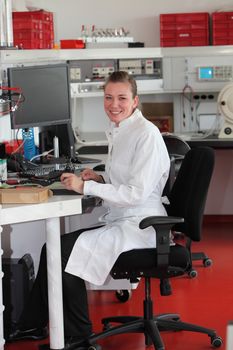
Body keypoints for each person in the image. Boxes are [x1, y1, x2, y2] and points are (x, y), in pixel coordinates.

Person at [8, 71, 170, 349]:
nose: (113, 104)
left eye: (121, 98)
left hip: (142, 225)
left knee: (60, 253)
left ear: (135, 101)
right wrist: (99, 179)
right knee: (54, 249)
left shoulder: (146, 135)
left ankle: (78, 338)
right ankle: (32, 325)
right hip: (126, 218)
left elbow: (136, 193)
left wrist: (87, 189)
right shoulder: (123, 130)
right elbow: (127, 181)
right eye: (108, 97)